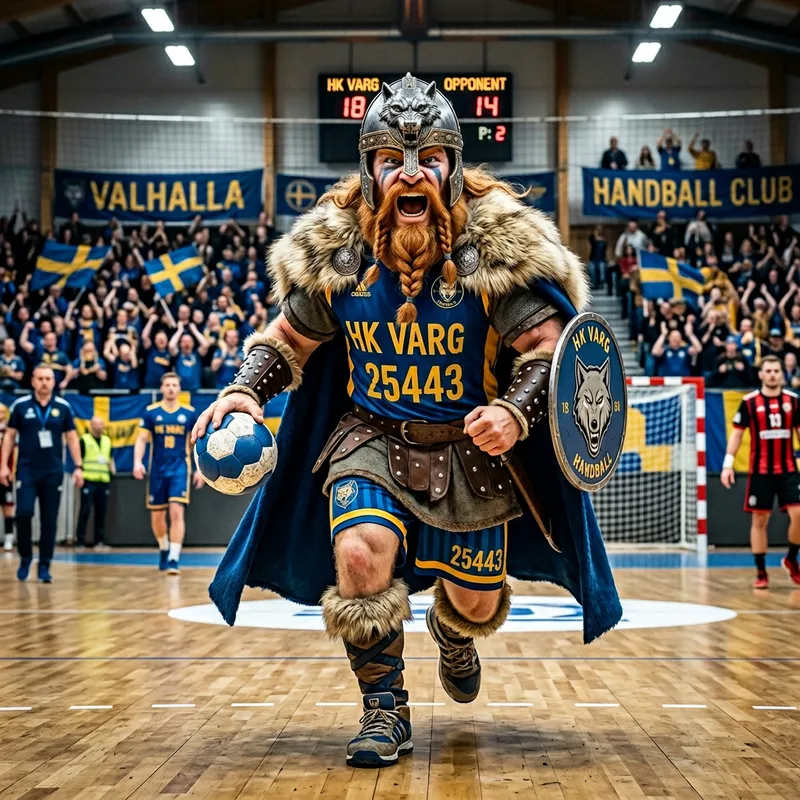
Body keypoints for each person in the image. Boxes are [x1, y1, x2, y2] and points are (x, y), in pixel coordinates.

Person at [192, 74, 621, 768]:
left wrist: (514, 413)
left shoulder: (492, 252)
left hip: (471, 448)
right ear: (370, 170)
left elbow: (550, 348)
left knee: (475, 603)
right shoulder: (339, 253)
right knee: (359, 555)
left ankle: (454, 634)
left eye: (429, 158)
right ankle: (384, 709)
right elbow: (287, 340)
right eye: (392, 159)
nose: (411, 174)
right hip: (370, 439)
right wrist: (245, 392)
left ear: (453, 167)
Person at [722, 356, 800, 588]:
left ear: (781, 374)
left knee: (799, 514)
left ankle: (791, 558)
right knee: (760, 519)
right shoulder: (749, 402)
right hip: (760, 471)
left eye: (776, 370)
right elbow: (737, 434)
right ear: (761, 374)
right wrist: (728, 464)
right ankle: (761, 571)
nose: (773, 374)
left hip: (788, 469)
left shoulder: (793, 401)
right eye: (769, 371)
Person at [0, 365, 83, 583]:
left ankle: (45, 565)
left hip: (52, 471)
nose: (44, 382)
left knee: (49, 519)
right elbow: (9, 436)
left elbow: (72, 437)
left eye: (48, 379)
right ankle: (25, 557)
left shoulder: (63, 407)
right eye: (40, 378)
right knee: (23, 513)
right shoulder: (20, 406)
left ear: (53, 382)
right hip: (26, 470)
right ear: (33, 381)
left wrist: (78, 466)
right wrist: (4, 466)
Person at [133, 373, 202, 574]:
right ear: (162, 388)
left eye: (174, 385)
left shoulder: (189, 413)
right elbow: (141, 439)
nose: (171, 388)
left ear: (179, 388)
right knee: (157, 516)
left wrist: (200, 470)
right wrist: (137, 462)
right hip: (157, 470)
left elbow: (198, 444)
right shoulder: (151, 412)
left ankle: (173, 557)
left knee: (176, 510)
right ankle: (164, 547)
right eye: (167, 385)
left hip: (180, 468)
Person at [75, 416, 114, 549]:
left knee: (101, 512)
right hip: (88, 479)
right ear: (91, 425)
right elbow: (79, 458)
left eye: (101, 424)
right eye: (96, 424)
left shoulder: (107, 440)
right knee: (85, 510)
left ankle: (99, 541)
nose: (99, 427)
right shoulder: (84, 440)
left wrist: (112, 471)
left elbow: (110, 458)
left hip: (103, 480)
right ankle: (80, 540)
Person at [0, 404, 14, 552]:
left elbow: (15, 453)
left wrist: (12, 471)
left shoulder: (9, 432)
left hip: (5, 475)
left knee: (8, 507)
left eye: (2, 412)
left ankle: (9, 538)